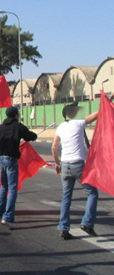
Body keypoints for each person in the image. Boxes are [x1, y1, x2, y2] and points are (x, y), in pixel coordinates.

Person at [51, 102, 99, 240]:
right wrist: (109, 99)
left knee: (66, 197)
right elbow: (98, 114)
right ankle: (87, 223)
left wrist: (57, 163)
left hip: (65, 165)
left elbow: (54, 147)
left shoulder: (60, 127)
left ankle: (64, 228)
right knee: (92, 192)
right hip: (78, 165)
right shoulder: (78, 123)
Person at [0, 106, 37, 229]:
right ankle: (8, 216)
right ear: (16, 115)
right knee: (13, 188)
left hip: (1, 160)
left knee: (4, 186)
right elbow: (30, 136)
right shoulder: (18, 126)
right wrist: (33, 136)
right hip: (11, 160)